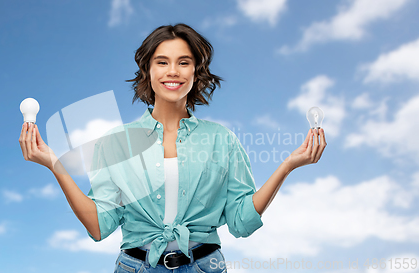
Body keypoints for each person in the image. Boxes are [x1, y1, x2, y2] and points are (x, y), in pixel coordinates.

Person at [19, 23, 327, 273]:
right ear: (148, 71)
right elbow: (99, 227)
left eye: (184, 62)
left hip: (206, 266)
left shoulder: (222, 140)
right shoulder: (116, 142)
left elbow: (241, 222)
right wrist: (54, 164)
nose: (173, 71)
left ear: (196, 71)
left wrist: (287, 166)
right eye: (162, 62)